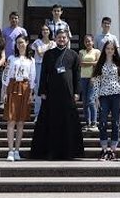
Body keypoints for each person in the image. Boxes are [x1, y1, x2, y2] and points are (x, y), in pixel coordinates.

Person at [30, 29, 84, 160]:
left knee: (68, 123)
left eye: (64, 38)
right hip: (51, 94)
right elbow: (43, 73)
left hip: (68, 95)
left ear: (67, 39)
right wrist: (42, 91)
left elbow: (77, 75)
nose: (62, 40)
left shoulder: (74, 55)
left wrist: (77, 92)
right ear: (55, 38)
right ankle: (50, 151)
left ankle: (69, 152)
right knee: (51, 123)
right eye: (59, 37)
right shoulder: (48, 54)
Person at [92, 38, 120, 160]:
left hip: (116, 95)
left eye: (112, 49)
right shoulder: (100, 64)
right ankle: (104, 149)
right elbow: (96, 82)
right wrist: (96, 97)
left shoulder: (118, 64)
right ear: (104, 50)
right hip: (103, 96)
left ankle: (113, 150)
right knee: (102, 122)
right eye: (108, 48)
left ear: (114, 51)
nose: (110, 51)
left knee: (116, 122)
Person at [3, 35, 35, 161]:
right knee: (11, 120)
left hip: (25, 88)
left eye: (22, 42)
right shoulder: (11, 58)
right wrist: (4, 91)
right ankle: (10, 150)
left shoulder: (30, 60)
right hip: (13, 86)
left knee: (21, 122)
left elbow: (33, 77)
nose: (20, 45)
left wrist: (31, 93)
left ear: (27, 43)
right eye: (18, 43)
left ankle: (17, 150)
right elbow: (6, 74)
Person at [30, 24, 56, 117]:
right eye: (43, 30)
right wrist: (49, 48)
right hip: (39, 65)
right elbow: (40, 54)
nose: (45, 31)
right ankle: (38, 114)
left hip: (50, 67)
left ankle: (49, 113)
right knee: (38, 89)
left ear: (50, 32)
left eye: (47, 30)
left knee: (50, 88)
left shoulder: (54, 43)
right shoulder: (37, 42)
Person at [78, 34, 100, 131]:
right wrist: (92, 63)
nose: (88, 43)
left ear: (93, 42)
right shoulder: (81, 52)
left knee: (91, 100)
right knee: (85, 101)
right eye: (86, 41)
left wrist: (93, 76)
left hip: (93, 78)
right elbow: (80, 64)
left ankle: (94, 122)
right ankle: (87, 122)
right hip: (83, 78)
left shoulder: (96, 51)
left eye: (89, 41)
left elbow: (98, 64)